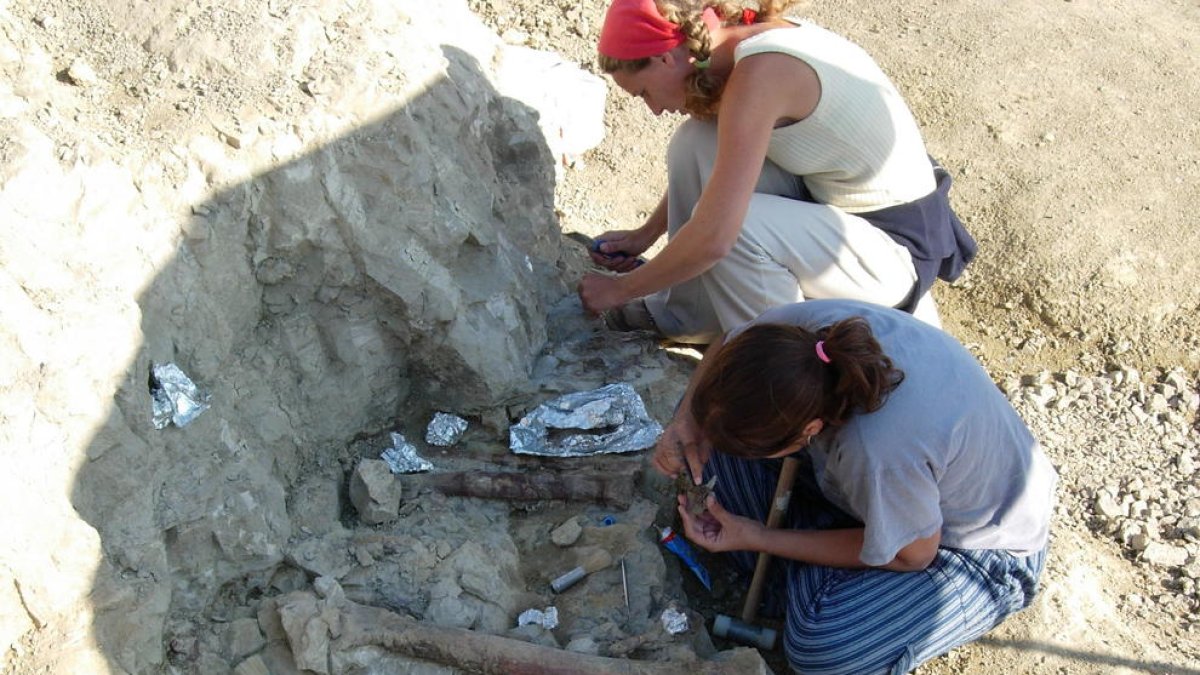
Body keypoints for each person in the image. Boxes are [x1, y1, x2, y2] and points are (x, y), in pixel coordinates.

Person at [653, 298, 1056, 673]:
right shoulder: (799, 340)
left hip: (974, 545)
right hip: (887, 487)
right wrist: (687, 422)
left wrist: (758, 537)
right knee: (709, 451)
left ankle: (816, 579)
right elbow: (728, 341)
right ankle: (821, 565)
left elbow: (912, 555)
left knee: (822, 645)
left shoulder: (877, 450)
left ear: (810, 429)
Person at [578, 0, 977, 345]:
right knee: (696, 141)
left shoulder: (762, 75)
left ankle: (780, 367)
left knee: (740, 229)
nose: (653, 109)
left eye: (644, 92)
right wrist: (645, 235)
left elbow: (717, 237)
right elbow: (720, 167)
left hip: (895, 252)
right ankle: (691, 315)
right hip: (839, 214)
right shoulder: (741, 42)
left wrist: (620, 290)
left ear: (667, 58)